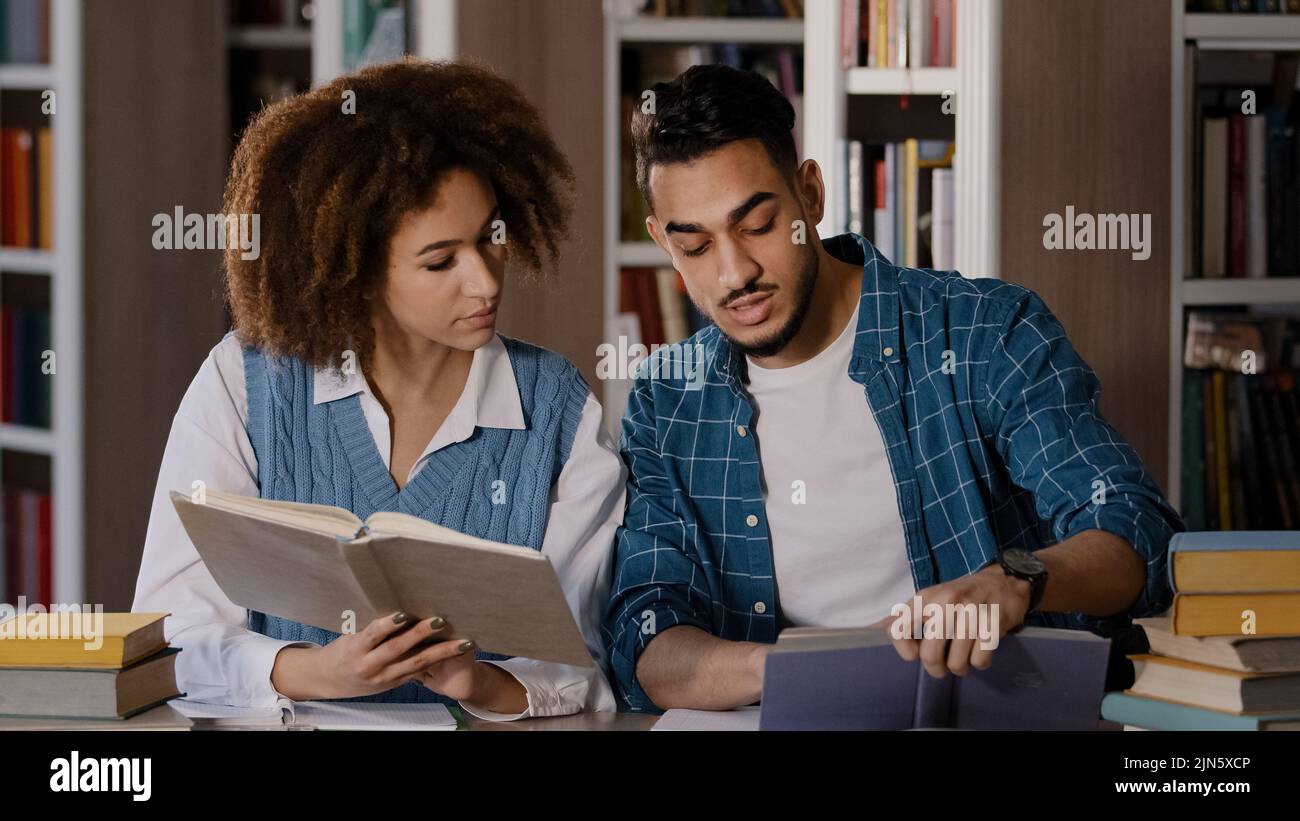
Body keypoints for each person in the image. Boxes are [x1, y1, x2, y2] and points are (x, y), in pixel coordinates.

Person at [603, 64, 1183, 713]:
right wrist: (798, 670)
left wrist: (1015, 578)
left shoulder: (984, 332)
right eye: (696, 245)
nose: (734, 271)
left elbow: (1134, 532)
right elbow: (646, 632)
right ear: (662, 244)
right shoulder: (666, 399)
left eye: (758, 224)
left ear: (811, 194)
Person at [133, 59, 623, 721]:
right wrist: (317, 671)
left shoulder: (557, 407)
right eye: (441, 260)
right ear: (356, 267)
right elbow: (170, 638)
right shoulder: (245, 382)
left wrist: (476, 681)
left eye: (491, 239)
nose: (484, 281)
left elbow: (585, 662)